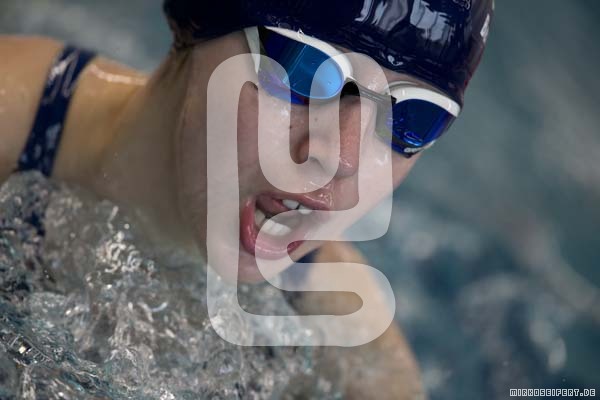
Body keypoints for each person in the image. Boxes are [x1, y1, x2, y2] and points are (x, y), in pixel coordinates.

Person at [0, 0, 494, 398]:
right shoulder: (11, 120)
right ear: (202, 20)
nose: (343, 158)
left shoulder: (352, 341)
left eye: (413, 119)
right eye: (305, 69)